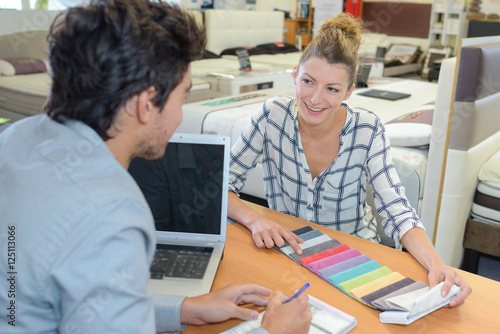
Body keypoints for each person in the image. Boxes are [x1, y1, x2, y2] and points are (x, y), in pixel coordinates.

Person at [0, 1, 311, 333]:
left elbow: (89, 303)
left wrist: (184, 307)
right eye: (182, 97)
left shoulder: (16, 137)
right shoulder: (112, 214)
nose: (180, 116)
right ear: (145, 104)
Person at [227, 13, 471, 307]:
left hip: (353, 261)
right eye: (308, 81)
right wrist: (255, 218)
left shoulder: (368, 129)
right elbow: (221, 183)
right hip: (291, 254)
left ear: (349, 91)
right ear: (295, 75)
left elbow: (396, 209)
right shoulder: (271, 116)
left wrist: (436, 264)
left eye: (332, 89)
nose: (315, 99)